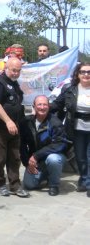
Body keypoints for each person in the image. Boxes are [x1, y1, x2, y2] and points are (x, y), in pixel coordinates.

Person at [0, 57, 30, 198]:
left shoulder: (15, 84)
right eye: (13, 70)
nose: (16, 73)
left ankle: (15, 185)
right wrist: (8, 121)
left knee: (14, 157)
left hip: (13, 126)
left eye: (18, 71)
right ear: (6, 69)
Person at [51, 62, 90, 195]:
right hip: (76, 128)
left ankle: (88, 184)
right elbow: (57, 104)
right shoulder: (70, 89)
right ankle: (83, 180)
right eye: (83, 72)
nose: (86, 74)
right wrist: (42, 108)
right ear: (77, 74)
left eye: (89, 72)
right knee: (80, 157)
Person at [20, 95, 69, 196]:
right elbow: (22, 145)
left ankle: (53, 185)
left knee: (53, 159)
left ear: (49, 106)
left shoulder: (55, 122)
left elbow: (60, 144)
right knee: (29, 185)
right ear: (34, 106)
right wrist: (27, 163)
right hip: (36, 159)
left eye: (45, 105)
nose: (42, 107)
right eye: (39, 104)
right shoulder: (26, 122)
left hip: (55, 156)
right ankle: (46, 174)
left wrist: (35, 156)